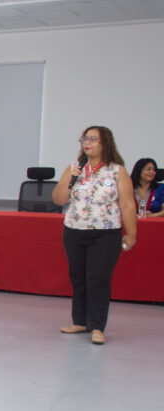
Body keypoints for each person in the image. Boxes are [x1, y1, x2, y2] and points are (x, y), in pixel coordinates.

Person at [52, 125, 137, 345]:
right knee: (78, 277)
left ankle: (97, 326)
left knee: (98, 279)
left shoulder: (117, 171)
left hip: (106, 234)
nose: (87, 143)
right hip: (74, 231)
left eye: (92, 139)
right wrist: (70, 179)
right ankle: (80, 321)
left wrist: (132, 233)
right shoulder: (74, 169)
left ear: (105, 143)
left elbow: (127, 204)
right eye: (84, 139)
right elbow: (59, 199)